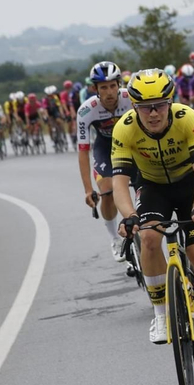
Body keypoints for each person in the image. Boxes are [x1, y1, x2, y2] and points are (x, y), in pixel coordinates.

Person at [110, 70, 194, 357]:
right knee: (149, 238)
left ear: (170, 101)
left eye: (160, 105)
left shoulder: (188, 118)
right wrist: (128, 216)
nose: (153, 113)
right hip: (152, 186)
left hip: (190, 186)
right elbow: (119, 182)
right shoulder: (124, 129)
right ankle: (161, 314)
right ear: (134, 107)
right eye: (144, 107)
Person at [77, 62, 135, 261]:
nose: (109, 92)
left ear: (119, 84)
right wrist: (87, 189)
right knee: (108, 191)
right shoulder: (86, 111)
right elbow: (83, 152)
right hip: (106, 149)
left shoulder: (131, 98)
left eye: (112, 86)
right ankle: (114, 239)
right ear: (95, 89)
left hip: (132, 145)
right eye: (103, 87)